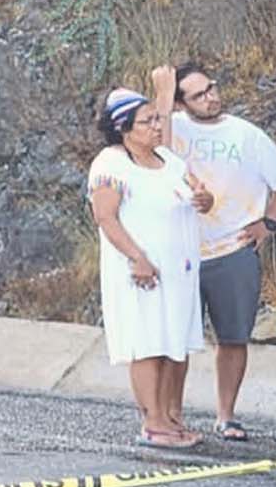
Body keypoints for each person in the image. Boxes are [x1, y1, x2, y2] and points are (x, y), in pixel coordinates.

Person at [170, 64, 276, 441]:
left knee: (233, 337)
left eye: (211, 87)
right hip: (182, 249)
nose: (210, 96)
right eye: (198, 94)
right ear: (181, 102)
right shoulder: (170, 128)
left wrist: (268, 222)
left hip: (232, 248)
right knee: (176, 339)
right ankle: (172, 415)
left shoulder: (246, 134)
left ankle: (226, 416)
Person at [87, 66, 215, 449]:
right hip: (142, 270)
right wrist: (137, 258)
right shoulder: (111, 164)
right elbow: (104, 216)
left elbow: (198, 197)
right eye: (147, 122)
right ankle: (154, 422)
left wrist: (205, 200)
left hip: (179, 270)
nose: (157, 126)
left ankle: (173, 416)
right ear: (124, 128)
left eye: (157, 119)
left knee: (175, 342)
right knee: (148, 343)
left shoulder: (169, 162)